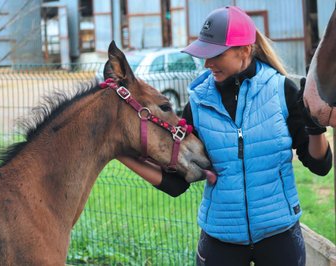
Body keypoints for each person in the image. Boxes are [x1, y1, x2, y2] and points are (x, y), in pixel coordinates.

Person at [117, 6, 332, 266]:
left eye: (215, 54)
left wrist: (315, 128)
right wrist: (121, 154)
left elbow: (319, 165)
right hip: (220, 239)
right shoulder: (197, 104)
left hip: (279, 236)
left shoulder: (282, 91)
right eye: (203, 54)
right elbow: (177, 183)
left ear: (244, 50)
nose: (207, 63)